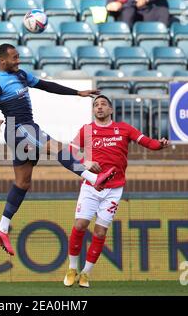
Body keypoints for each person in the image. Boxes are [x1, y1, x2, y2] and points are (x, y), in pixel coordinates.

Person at [0, 44, 116, 256]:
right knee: (56, 146)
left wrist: (77, 92)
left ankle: (2, 227)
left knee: (23, 182)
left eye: (18, 56)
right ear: (2, 61)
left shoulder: (22, 75)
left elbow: (46, 86)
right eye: (14, 58)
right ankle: (93, 179)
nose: (18, 60)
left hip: (27, 127)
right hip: (18, 127)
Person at [63, 95, 169, 288]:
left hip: (114, 189)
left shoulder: (124, 129)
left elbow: (147, 142)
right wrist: (84, 162)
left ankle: (86, 273)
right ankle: (72, 268)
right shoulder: (86, 130)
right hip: (91, 186)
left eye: (103, 104)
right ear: (93, 111)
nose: (99, 107)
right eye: (96, 105)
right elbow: (70, 150)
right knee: (80, 224)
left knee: (100, 231)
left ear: (111, 110)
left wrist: (159, 144)